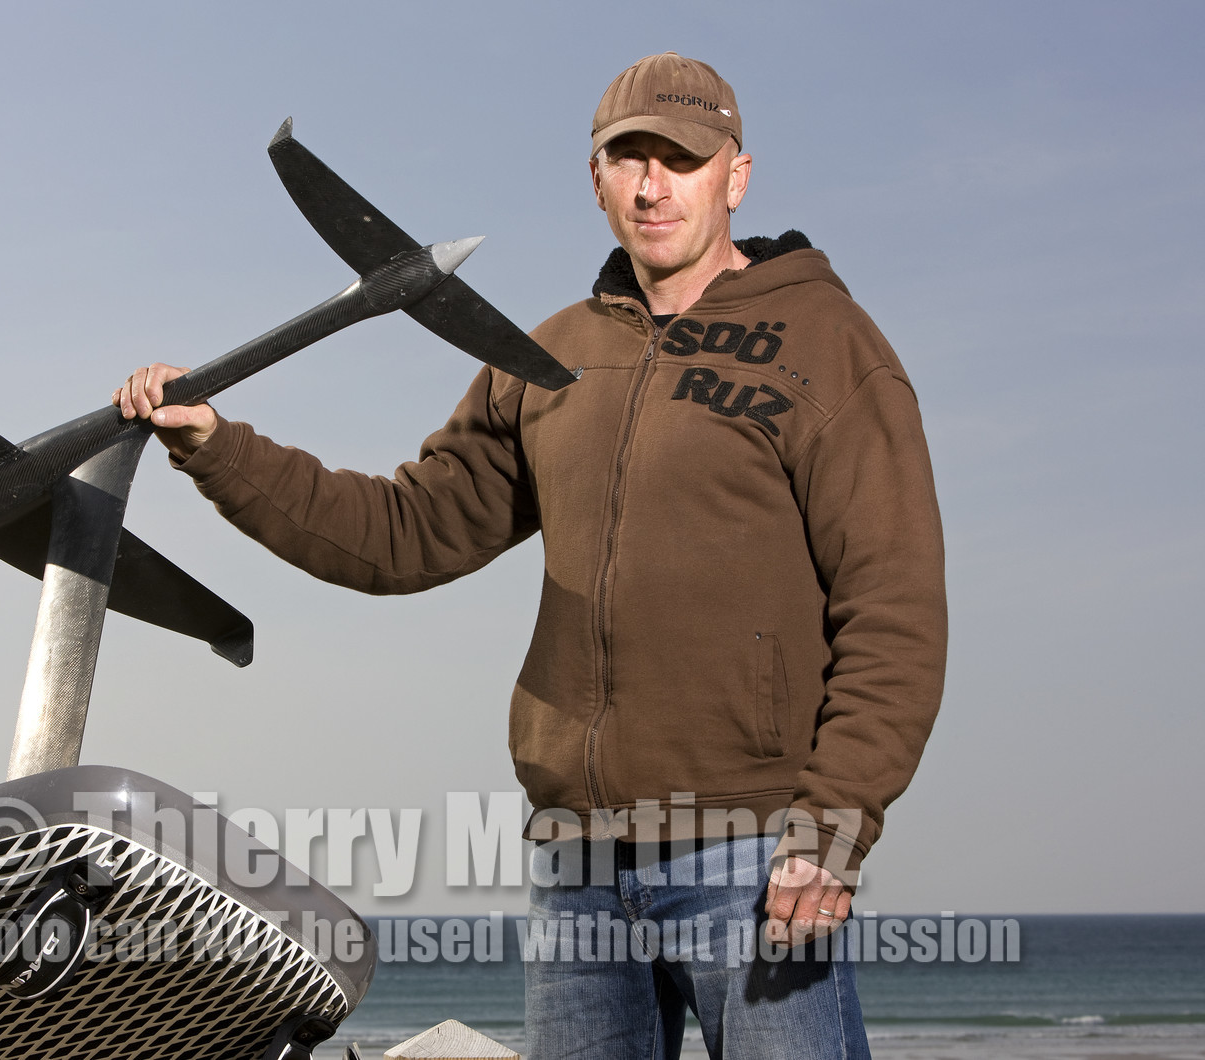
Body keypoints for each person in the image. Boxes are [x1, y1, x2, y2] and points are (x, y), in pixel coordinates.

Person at [114, 51, 945, 1060]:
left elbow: (893, 608)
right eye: (626, 158)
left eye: (680, 160)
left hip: (754, 846)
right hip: (578, 861)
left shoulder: (830, 344)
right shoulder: (548, 357)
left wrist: (834, 825)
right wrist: (219, 447)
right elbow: (398, 532)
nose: (651, 185)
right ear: (593, 178)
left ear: (736, 175)